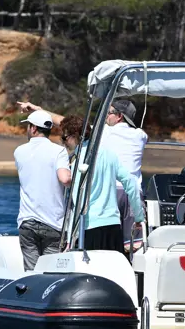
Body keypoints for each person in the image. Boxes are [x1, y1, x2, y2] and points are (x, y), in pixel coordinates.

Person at [18, 99, 148, 243]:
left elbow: (64, 122)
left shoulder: (103, 132)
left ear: (119, 116)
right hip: (133, 194)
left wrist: (37, 110)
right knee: (134, 246)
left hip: (110, 194)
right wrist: (139, 217)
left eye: (109, 113)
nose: (105, 116)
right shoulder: (141, 135)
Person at [58, 114, 144, 255]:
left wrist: (69, 240)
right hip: (113, 226)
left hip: (89, 228)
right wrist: (139, 217)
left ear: (75, 136)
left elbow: (76, 203)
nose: (64, 143)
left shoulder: (78, 161)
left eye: (65, 138)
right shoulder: (109, 155)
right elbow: (131, 183)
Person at [14, 110, 72, 270]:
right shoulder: (59, 151)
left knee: (31, 273)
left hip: (27, 221)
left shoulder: (19, 152)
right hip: (53, 222)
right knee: (50, 272)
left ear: (33, 129)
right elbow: (65, 179)